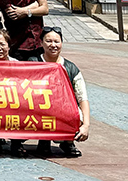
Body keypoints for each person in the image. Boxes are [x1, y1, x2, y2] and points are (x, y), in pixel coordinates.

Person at [32, 26, 89, 158]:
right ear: (41, 43)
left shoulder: (71, 68)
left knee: (77, 115)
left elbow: (82, 98)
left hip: (63, 110)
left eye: (56, 41)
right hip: (38, 109)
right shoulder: (33, 63)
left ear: (62, 43)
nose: (53, 45)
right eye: (48, 41)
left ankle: (68, 142)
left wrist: (86, 125)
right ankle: (43, 141)